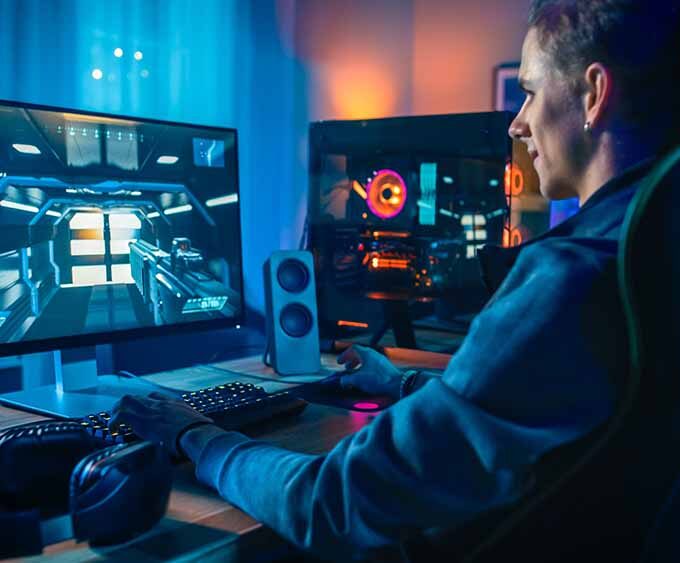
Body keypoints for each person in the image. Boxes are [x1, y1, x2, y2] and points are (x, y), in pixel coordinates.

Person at [110, 1, 680, 560]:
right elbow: (537, 413)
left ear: (594, 93)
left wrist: (197, 436)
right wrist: (403, 384)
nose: (517, 122)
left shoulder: (569, 277)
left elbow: (331, 505)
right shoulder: (645, 259)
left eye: (529, 91)